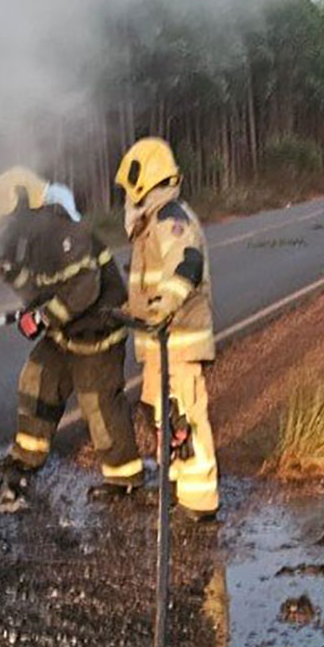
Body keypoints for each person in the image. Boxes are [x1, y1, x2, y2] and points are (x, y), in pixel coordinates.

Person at [0, 166, 141, 512]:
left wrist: (42, 317)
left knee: (99, 405)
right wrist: (11, 271)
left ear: (27, 205)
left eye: (8, 218)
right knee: (36, 380)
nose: (5, 226)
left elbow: (85, 289)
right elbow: (36, 288)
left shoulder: (65, 232)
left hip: (96, 333)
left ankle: (124, 479)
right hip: (65, 332)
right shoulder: (32, 239)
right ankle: (26, 457)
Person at [114, 138, 219, 518]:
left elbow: (186, 264)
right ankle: (178, 490)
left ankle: (200, 503)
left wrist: (162, 307)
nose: (126, 198)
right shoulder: (151, 224)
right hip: (162, 344)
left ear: (144, 183)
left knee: (187, 419)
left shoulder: (169, 218)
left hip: (179, 341)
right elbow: (150, 283)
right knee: (164, 416)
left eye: (129, 190)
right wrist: (132, 309)